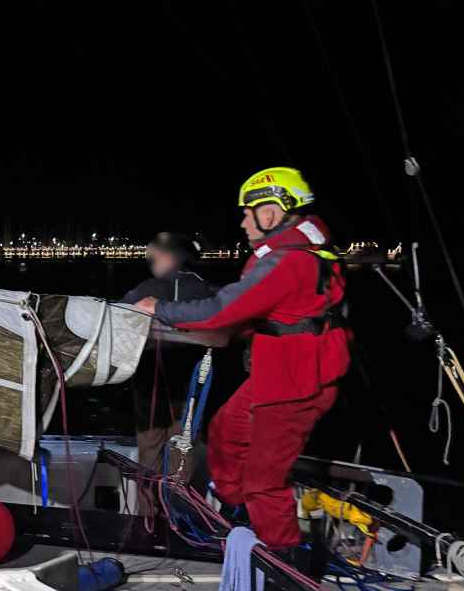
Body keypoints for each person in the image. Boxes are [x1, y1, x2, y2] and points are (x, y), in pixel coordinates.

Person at [133, 167, 350, 555]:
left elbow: (221, 308)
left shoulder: (287, 261)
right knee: (224, 432)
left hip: (291, 386)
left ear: (272, 212)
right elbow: (288, 315)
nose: (243, 220)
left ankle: (281, 560)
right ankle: (235, 512)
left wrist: (160, 308)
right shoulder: (307, 252)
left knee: (264, 481)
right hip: (281, 375)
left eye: (250, 212)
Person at [118, 232, 215, 471]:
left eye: (156, 257)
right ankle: (179, 503)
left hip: (151, 386)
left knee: (149, 449)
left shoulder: (146, 290)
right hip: (189, 387)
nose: (153, 264)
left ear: (173, 257)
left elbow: (118, 316)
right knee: (183, 450)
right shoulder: (207, 291)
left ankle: (148, 506)